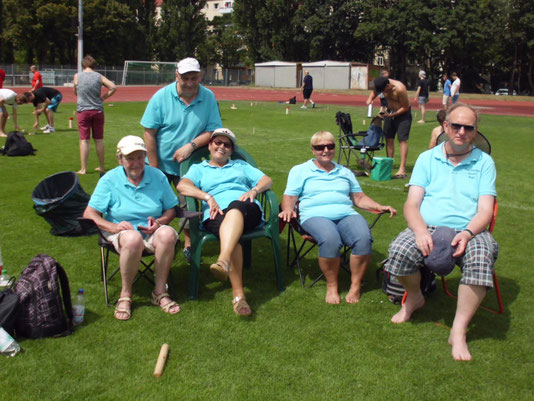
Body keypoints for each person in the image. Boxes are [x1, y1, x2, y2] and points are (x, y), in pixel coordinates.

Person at [383, 103, 498, 361]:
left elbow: (485, 212)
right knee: (398, 252)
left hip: (470, 229)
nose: (461, 131)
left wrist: (468, 233)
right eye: (455, 125)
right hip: (429, 225)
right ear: (445, 126)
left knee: (480, 259)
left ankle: (458, 330)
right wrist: (421, 230)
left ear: (475, 130)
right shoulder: (427, 158)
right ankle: (414, 298)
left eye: (468, 127)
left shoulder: (485, 162)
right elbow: (411, 205)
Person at [279, 130, 396, 304]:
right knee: (330, 239)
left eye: (330, 146)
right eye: (320, 147)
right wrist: (288, 209)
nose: (325, 150)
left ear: (334, 148)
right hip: (314, 215)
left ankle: (355, 285)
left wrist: (379, 206)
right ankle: (332, 286)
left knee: (363, 238)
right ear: (313, 150)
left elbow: (359, 198)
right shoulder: (300, 170)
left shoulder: (345, 172)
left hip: (346, 214)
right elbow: (289, 197)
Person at [83, 135, 181, 321]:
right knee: (132, 238)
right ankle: (126, 295)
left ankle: (159, 292)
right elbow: (90, 214)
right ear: (119, 159)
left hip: (152, 231)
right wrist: (113, 226)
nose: (136, 163)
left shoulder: (157, 176)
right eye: (130, 158)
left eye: (139, 157)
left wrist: (159, 222)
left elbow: (171, 210)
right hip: (121, 234)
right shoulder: (109, 180)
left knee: (168, 234)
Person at [177, 128, 272, 316]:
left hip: (247, 209)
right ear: (210, 145)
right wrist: (207, 197)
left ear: (231, 149)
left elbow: (267, 180)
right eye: (217, 142)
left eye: (226, 144)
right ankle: (239, 296)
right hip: (215, 213)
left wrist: (254, 191)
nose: (221, 147)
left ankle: (224, 259)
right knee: (232, 235)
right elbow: (182, 186)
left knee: (236, 205)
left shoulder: (241, 166)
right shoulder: (199, 168)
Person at [141, 57, 222, 260]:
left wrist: (190, 146)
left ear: (200, 76)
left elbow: (212, 129)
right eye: (185, 78)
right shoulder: (161, 97)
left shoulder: (208, 97)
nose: (189, 83)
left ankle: (188, 243)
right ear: (176, 75)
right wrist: (154, 166)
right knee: (154, 203)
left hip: (189, 165)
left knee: (189, 206)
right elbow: (149, 132)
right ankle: (150, 240)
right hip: (160, 162)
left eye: (194, 78)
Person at [73, 55, 117, 175]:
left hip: (83, 111)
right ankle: (102, 167)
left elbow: (75, 91)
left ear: (83, 65)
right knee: (99, 140)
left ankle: (83, 168)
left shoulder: (77, 76)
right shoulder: (99, 76)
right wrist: (103, 97)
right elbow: (113, 87)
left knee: (84, 140)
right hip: (97, 110)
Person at [367, 76, 412, 179]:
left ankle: (402, 168)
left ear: (387, 86)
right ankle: (389, 164)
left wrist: (393, 115)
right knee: (389, 138)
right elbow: (374, 92)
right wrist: (370, 99)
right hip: (389, 112)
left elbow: (405, 107)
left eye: (383, 90)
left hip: (402, 115)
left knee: (402, 139)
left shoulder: (400, 89)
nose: (382, 93)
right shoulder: (381, 85)